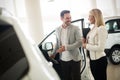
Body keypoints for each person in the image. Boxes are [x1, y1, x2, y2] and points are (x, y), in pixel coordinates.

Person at [51, 10, 82, 80]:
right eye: (67, 18)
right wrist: (54, 53)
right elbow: (58, 43)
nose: (69, 20)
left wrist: (66, 48)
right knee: (66, 78)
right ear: (61, 19)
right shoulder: (58, 29)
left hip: (75, 58)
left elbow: (80, 42)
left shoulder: (75, 28)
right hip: (63, 59)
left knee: (76, 78)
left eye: (70, 17)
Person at [82, 8, 108, 80]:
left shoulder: (101, 28)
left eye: (89, 16)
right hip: (92, 60)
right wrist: (85, 41)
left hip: (99, 60)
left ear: (95, 16)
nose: (88, 18)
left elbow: (100, 48)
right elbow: (92, 42)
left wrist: (86, 45)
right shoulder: (93, 28)